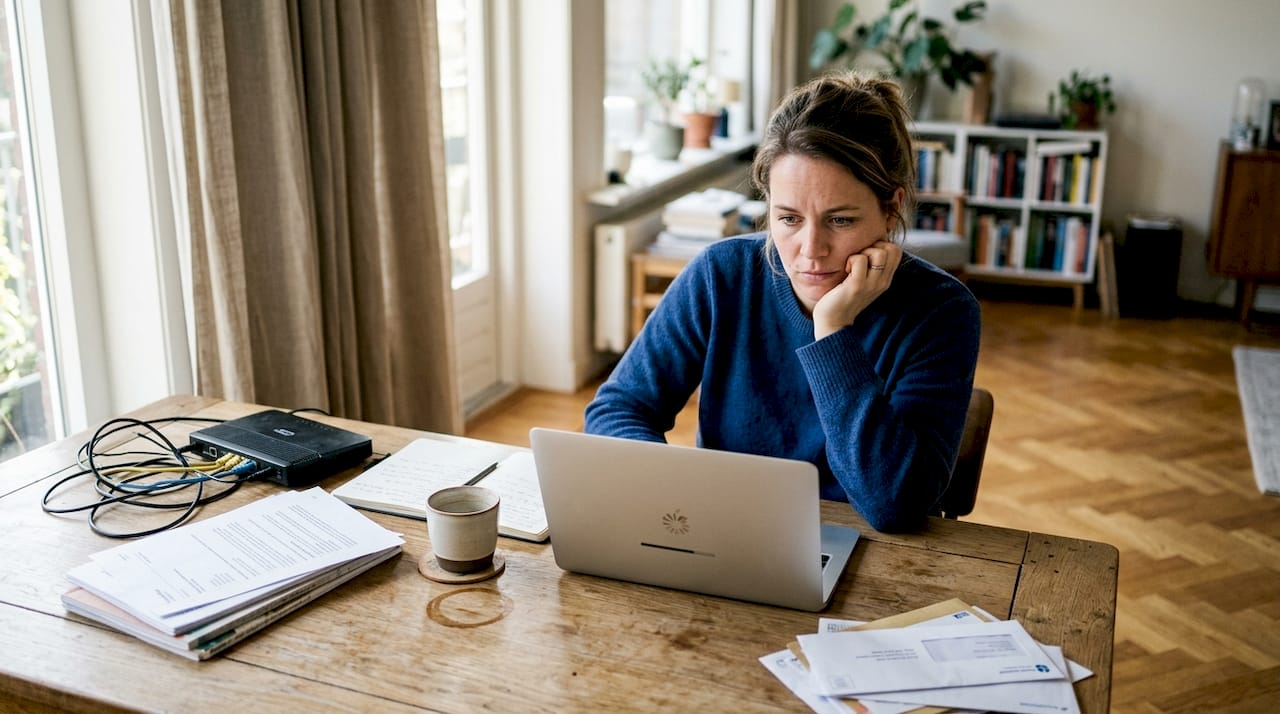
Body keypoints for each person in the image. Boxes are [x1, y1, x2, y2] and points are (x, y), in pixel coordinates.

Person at [584, 72, 981, 532]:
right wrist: (678, 490)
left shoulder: (942, 311)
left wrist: (833, 330)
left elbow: (896, 505)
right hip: (728, 537)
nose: (811, 249)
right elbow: (617, 410)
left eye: (841, 220)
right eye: (788, 218)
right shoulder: (723, 275)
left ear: (891, 209)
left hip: (870, 552)